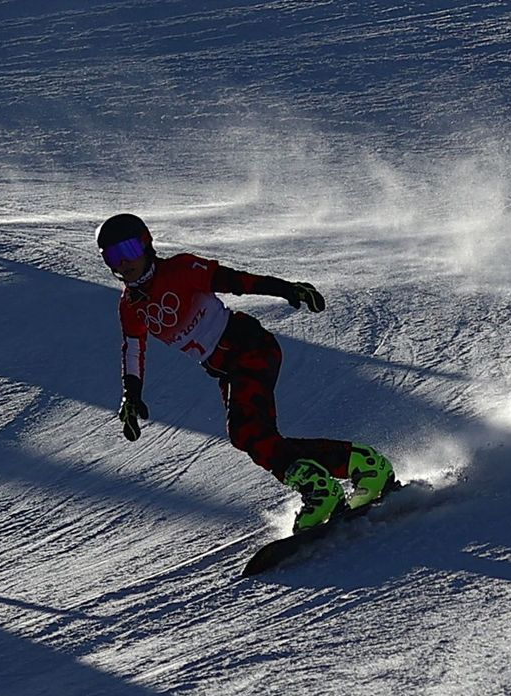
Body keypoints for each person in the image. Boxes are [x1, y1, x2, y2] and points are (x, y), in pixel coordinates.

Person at [97, 212, 395, 532]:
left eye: (127, 250)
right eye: (111, 257)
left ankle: (321, 489)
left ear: (145, 244)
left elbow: (237, 281)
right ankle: (360, 465)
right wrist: (132, 394)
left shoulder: (180, 269)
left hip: (249, 347)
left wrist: (286, 289)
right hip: (226, 369)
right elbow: (133, 347)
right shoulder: (131, 306)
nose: (122, 263)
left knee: (248, 432)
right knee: (255, 439)